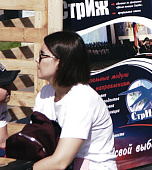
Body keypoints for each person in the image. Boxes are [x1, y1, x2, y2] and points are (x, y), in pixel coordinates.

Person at [33, 31, 117, 170]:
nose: (37, 59)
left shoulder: (82, 99)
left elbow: (60, 162)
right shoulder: (45, 94)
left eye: (42, 55)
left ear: (62, 63)